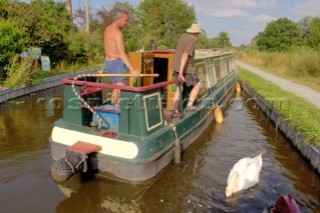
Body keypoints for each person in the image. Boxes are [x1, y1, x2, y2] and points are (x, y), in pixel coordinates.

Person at [104, 6, 139, 106]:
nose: (126, 22)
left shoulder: (107, 29)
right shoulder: (118, 33)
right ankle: (119, 115)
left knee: (115, 88)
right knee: (121, 92)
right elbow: (122, 54)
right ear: (117, 19)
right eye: (125, 20)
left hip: (108, 63)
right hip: (117, 64)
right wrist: (132, 70)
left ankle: (113, 109)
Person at [171, 22, 203, 118]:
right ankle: (189, 105)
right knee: (198, 84)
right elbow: (185, 55)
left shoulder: (183, 36)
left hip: (175, 66)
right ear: (196, 33)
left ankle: (175, 111)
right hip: (186, 68)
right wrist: (181, 72)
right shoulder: (192, 41)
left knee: (179, 88)